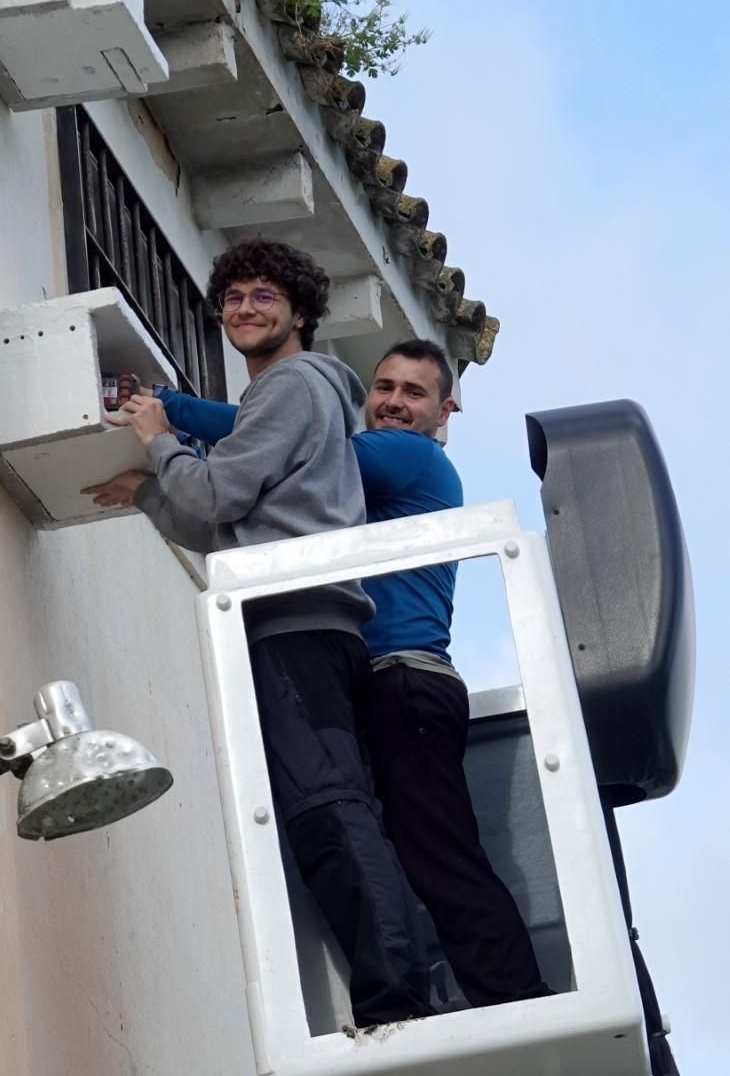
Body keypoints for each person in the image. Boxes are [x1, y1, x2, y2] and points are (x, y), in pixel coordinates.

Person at [82, 239, 434, 1029]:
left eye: (264, 296)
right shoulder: (300, 401)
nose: (245, 308)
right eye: (234, 297)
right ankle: (394, 985)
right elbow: (228, 529)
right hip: (304, 615)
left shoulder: (289, 388)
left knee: (327, 806)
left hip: (294, 620)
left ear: (300, 311)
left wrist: (156, 434)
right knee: (325, 807)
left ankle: (396, 996)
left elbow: (212, 498)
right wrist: (147, 490)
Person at [140, 338, 552, 1008]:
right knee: (387, 850)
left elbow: (292, 443)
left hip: (405, 681)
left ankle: (517, 997)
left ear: (446, 410)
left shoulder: (411, 459)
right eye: (383, 388)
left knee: (438, 858)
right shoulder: (349, 487)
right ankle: (463, 996)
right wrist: (154, 485)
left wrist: (168, 411)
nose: (392, 402)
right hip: (374, 681)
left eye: (413, 393)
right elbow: (254, 504)